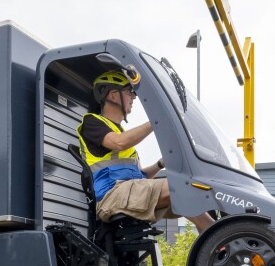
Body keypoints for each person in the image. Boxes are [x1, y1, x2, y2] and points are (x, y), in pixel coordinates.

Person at [76, 70, 214, 233]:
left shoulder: (122, 134)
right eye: (129, 91)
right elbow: (119, 142)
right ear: (112, 95)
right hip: (112, 196)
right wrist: (156, 121)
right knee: (180, 186)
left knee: (191, 200)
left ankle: (216, 243)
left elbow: (142, 177)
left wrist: (160, 164)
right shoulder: (92, 123)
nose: (134, 97)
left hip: (130, 192)